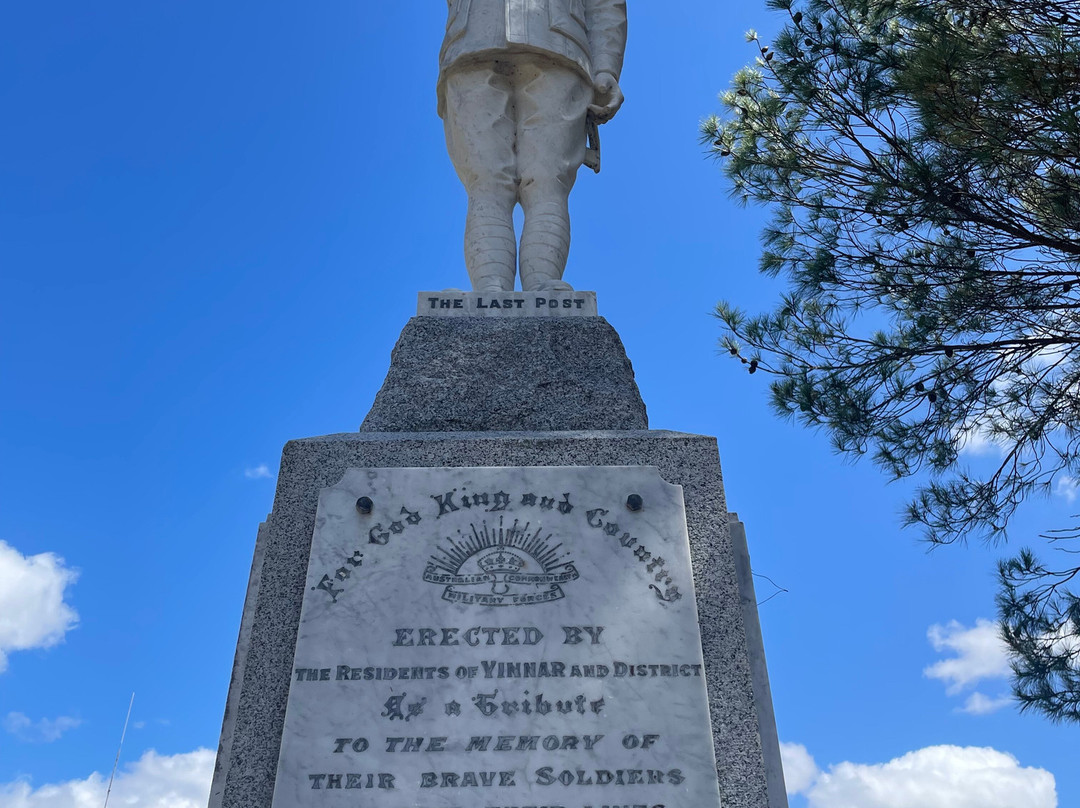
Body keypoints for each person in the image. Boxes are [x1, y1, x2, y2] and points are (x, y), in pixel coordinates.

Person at [438, 0, 628, 292]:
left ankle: (543, 283)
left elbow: (604, 3)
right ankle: (489, 288)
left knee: (547, 182)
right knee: (485, 182)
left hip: (560, 46)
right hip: (471, 44)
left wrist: (606, 66)